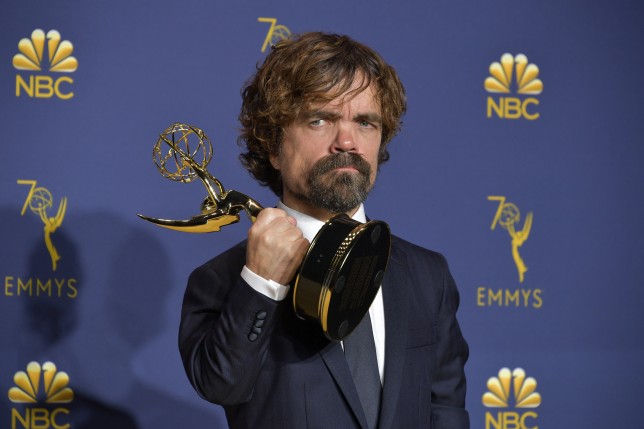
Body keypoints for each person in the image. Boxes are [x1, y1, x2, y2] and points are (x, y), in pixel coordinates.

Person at [178, 32, 469, 429]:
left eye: (365, 122)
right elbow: (221, 386)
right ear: (272, 145)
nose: (346, 141)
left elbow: (446, 411)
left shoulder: (426, 275)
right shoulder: (224, 281)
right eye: (320, 119)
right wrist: (261, 284)